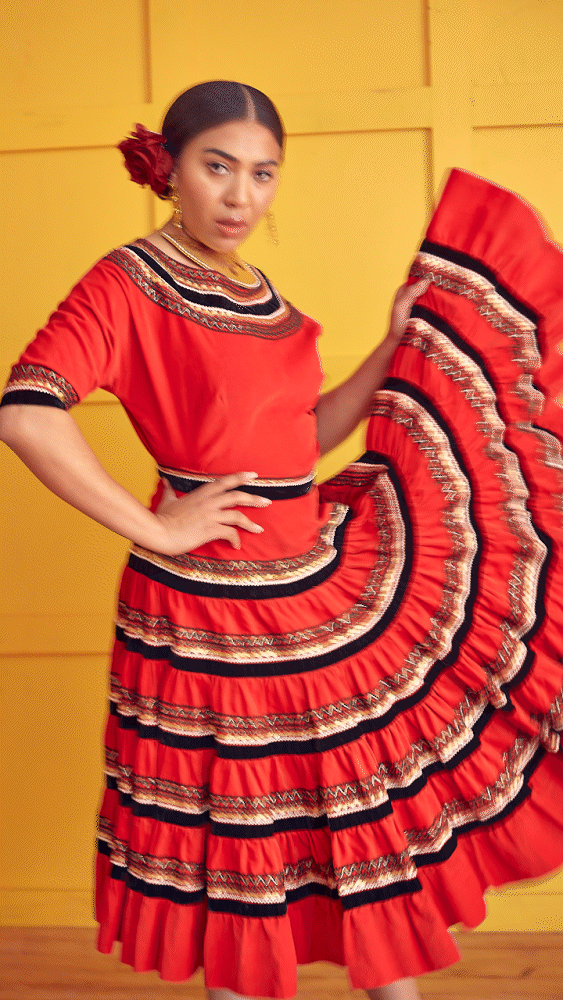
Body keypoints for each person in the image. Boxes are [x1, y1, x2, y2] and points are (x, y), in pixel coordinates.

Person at [1, 81, 562, 1000]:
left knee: (354, 821)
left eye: (263, 174)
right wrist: (157, 527)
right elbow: (27, 412)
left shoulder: (259, 293)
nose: (240, 196)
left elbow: (299, 444)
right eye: (217, 167)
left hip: (306, 587)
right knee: (240, 854)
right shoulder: (127, 281)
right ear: (168, 168)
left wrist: (388, 347)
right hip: (206, 611)